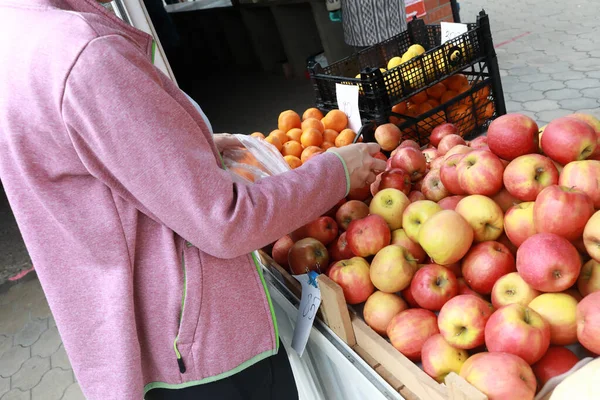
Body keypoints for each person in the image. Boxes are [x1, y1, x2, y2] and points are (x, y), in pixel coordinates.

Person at [0, 1, 386, 399]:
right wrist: (335, 172)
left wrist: (187, 151)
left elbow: (95, 171)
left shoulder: (16, 33)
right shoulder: (85, 54)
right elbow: (227, 221)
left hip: (131, 341)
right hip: (195, 355)